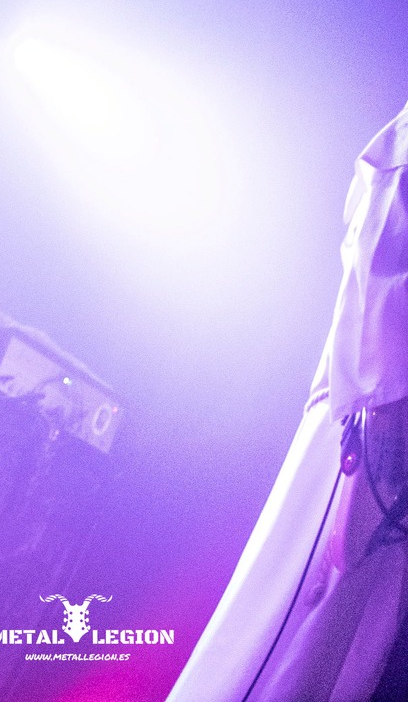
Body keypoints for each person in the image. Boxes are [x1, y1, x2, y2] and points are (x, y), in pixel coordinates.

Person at [169, 104, 408, 700]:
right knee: (294, 637)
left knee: (349, 655)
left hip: (386, 425)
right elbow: (385, 245)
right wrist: (380, 418)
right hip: (372, 422)